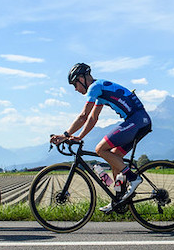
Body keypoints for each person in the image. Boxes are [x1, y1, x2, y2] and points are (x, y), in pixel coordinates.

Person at [50, 63, 152, 213]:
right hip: (139, 121)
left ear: (81, 78)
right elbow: (92, 119)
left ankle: (133, 178)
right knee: (115, 158)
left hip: (136, 120)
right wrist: (78, 137)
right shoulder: (100, 90)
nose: (75, 89)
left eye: (74, 85)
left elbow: (84, 116)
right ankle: (119, 200)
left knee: (100, 149)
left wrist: (65, 135)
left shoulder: (95, 87)